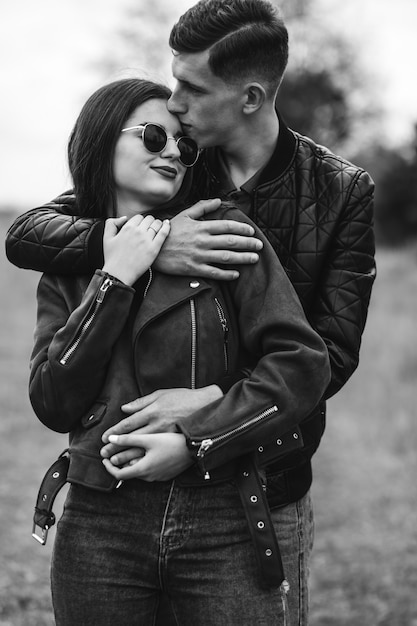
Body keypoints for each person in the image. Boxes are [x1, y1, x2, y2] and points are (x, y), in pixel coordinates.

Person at [5, 0, 376, 623]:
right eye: (172, 84)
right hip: (107, 508)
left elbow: (325, 356)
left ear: (250, 97)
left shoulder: (338, 190)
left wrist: (202, 417)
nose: (174, 108)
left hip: (255, 479)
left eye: (191, 89)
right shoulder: (178, 174)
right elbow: (29, 233)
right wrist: (138, 249)